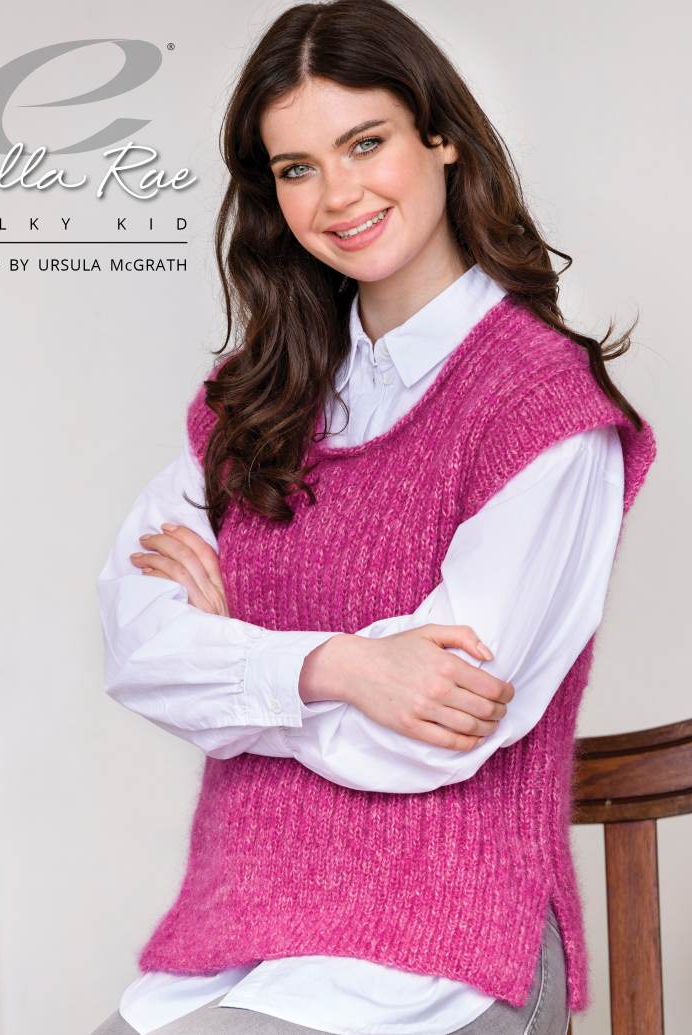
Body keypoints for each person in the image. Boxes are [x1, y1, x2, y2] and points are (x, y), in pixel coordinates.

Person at [92, 1, 657, 1032]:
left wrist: (237, 663)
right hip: (234, 942)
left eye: (365, 143)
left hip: (438, 958)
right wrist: (339, 667)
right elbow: (138, 647)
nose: (338, 195)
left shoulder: (540, 404)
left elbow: (439, 727)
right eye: (296, 167)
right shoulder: (255, 399)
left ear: (441, 137)